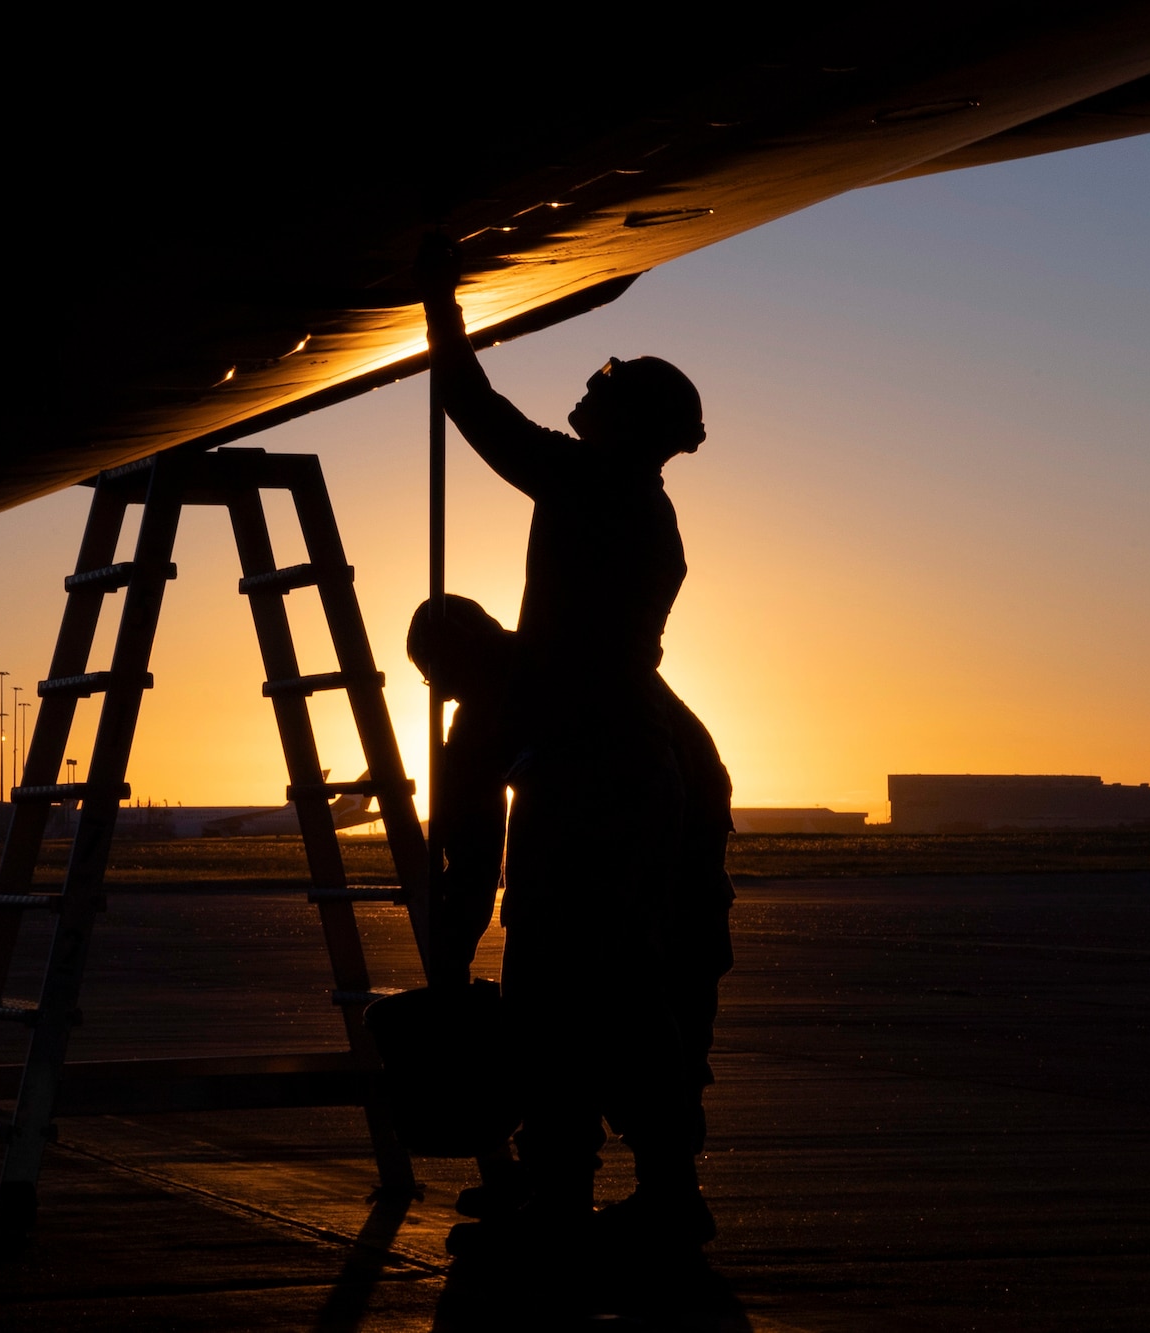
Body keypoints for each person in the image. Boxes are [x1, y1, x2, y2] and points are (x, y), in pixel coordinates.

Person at [415, 233, 724, 1251]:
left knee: (568, 984)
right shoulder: (634, 503)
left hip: (591, 773)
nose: (584, 396)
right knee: (604, 982)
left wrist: (439, 307)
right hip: (614, 766)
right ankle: (635, 1188)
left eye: (605, 386)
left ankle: (569, 1195)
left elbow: (479, 416)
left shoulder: (595, 488)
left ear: (635, 424)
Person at [407, 595, 735, 1254]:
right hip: (625, 817)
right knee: (545, 992)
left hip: (669, 818)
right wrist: (451, 952)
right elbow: (472, 854)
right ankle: (557, 1182)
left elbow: (668, 785)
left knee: (631, 997)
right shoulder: (485, 711)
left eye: (441, 680)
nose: (442, 698)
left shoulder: (571, 673)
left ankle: (655, 1194)